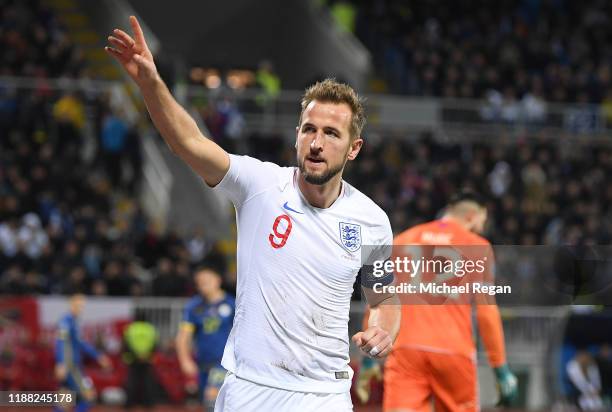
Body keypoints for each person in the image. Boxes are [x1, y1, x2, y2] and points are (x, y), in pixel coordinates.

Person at [105, 16, 400, 411]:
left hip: (325, 394)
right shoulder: (258, 184)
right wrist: (149, 82)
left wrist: (382, 332)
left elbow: (383, 299)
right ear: (296, 133)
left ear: (354, 148)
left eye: (331, 134)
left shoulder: (372, 220)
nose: (316, 143)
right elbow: (188, 142)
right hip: (251, 387)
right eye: (308, 129)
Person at [358, 191, 518, 411]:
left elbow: (378, 300)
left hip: (406, 350)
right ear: (472, 215)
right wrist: (500, 367)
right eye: (483, 220)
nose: (483, 226)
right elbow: (486, 312)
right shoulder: (477, 245)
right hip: (453, 351)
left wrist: (369, 356)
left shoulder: (404, 239)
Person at [176, 267, 235, 410]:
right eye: (200, 282)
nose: (203, 285)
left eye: (207, 281)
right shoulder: (194, 307)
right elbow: (183, 336)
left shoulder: (232, 304)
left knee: (212, 400)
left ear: (218, 280)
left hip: (223, 363)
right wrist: (185, 360)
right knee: (207, 404)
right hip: (202, 363)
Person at [54, 294, 111, 412]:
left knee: (64, 400)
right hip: (71, 366)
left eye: (82, 306)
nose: (80, 309)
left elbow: (81, 343)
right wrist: (61, 363)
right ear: (71, 305)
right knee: (89, 396)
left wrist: (98, 356)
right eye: (78, 305)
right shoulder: (65, 322)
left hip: (72, 365)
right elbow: (61, 342)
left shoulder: (74, 322)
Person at [123, 310, 157, 409]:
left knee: (132, 382)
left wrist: (136, 355)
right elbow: (155, 345)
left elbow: (126, 344)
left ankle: (129, 404)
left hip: (133, 359)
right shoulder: (150, 329)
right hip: (147, 359)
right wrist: (146, 355)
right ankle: (149, 404)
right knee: (148, 382)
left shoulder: (131, 328)